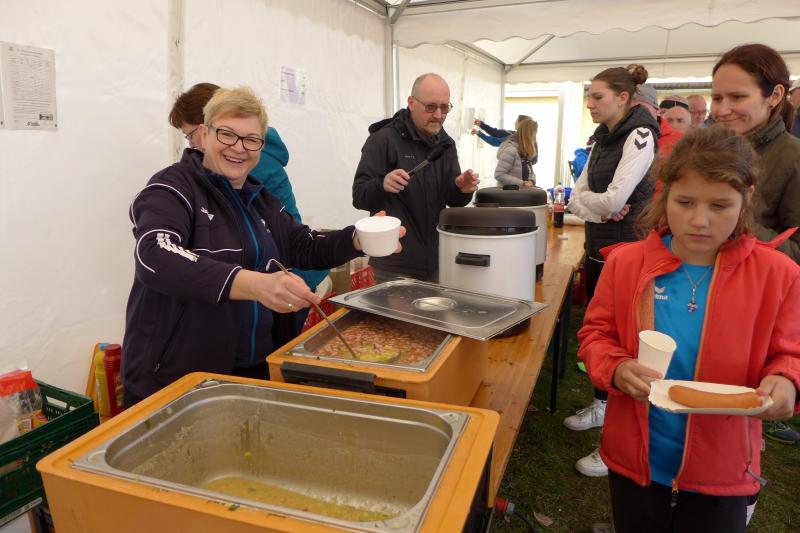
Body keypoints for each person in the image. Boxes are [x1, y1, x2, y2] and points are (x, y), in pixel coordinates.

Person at [122, 86, 404, 406]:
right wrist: (255, 284)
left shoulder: (259, 198)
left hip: (250, 372)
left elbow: (303, 245)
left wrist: (358, 238)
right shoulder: (172, 187)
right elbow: (156, 254)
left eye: (251, 139)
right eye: (227, 134)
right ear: (204, 133)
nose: (238, 148)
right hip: (178, 380)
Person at [578, 126, 800, 533]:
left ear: (746, 198)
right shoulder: (626, 265)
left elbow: (791, 353)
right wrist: (615, 367)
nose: (699, 221)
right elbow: (595, 335)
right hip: (636, 461)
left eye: (720, 205)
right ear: (665, 196)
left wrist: (786, 380)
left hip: (723, 467)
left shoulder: (778, 275)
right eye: (684, 202)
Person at [169, 83, 327, 333]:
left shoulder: (239, 165)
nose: (190, 145)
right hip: (283, 274)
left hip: (286, 276)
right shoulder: (178, 182)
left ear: (206, 127)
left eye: (189, 135)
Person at [565, 64, 659, 478]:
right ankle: (602, 406)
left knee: (627, 341)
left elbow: (617, 199)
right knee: (599, 334)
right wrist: (597, 208)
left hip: (628, 252)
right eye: (589, 96)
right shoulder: (601, 138)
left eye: (597, 96)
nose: (590, 103)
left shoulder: (640, 135)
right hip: (599, 247)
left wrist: (598, 204)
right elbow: (576, 197)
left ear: (623, 98)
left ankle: (621, 440)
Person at [711, 44, 800, 445]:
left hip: (752, 311)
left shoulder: (793, 157)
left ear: (775, 95)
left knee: (731, 419)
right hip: (697, 292)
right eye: (717, 98)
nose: (722, 109)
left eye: (737, 97)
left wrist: (737, 223)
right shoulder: (713, 149)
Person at [352, 72, 479, 283]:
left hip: (437, 261)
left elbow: (452, 200)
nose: (438, 115)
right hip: (393, 265)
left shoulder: (445, 143)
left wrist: (461, 189)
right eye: (430, 107)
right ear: (411, 103)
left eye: (445, 107)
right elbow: (359, 196)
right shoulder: (383, 140)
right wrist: (382, 184)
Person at [631, 85, 683, 161]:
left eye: (644, 109)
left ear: (657, 111)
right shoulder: (620, 137)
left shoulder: (679, 141)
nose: (637, 114)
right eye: (631, 111)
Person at [494, 118, 539, 187]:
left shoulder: (525, 151)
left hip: (522, 191)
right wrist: (522, 183)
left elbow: (530, 171)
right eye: (534, 134)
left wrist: (531, 181)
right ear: (528, 135)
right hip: (509, 192)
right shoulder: (510, 150)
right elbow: (499, 175)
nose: (535, 138)